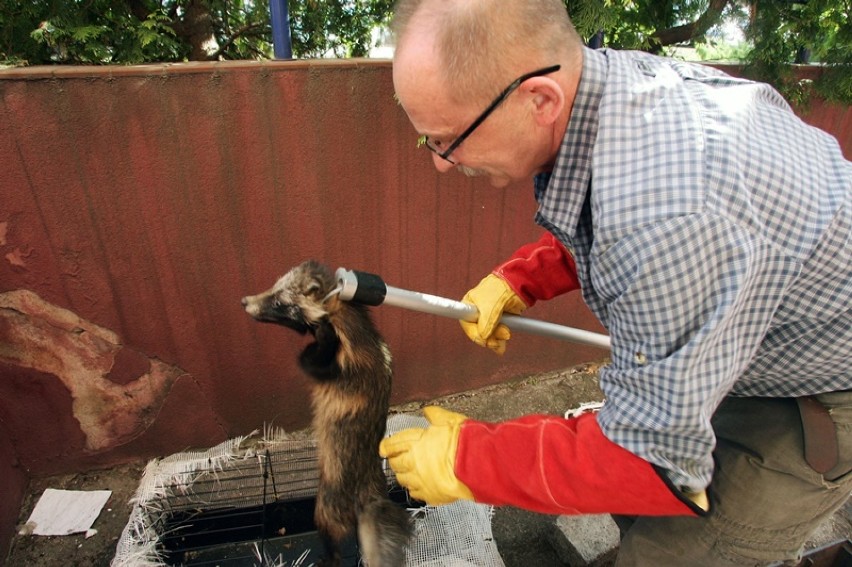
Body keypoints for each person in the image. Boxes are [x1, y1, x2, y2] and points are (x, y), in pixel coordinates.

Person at [378, 0, 852, 565]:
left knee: (680, 546)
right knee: (639, 509)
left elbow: (651, 460)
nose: (441, 163)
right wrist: (524, 278)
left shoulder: (671, 211)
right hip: (761, 324)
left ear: (539, 100)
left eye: (448, 139)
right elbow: (611, 214)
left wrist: (468, 462)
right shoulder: (611, 88)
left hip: (818, 390)